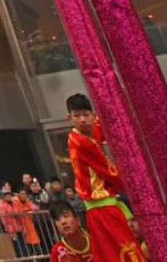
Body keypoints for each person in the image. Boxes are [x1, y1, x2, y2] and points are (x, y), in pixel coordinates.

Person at [64, 93, 148, 262]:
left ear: (93, 116)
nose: (82, 119)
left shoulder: (78, 135)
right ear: (69, 117)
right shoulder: (83, 142)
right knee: (125, 250)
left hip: (98, 208)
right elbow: (110, 172)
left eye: (86, 115)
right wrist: (139, 185)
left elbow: (100, 128)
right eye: (77, 115)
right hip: (103, 208)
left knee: (110, 254)